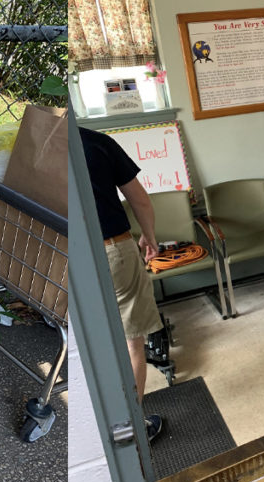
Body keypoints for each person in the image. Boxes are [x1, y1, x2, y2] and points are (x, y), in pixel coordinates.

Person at [79, 127, 164, 441]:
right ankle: (132, 427)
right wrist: (150, 237)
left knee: (85, 345)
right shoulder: (96, 142)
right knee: (132, 342)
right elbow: (140, 201)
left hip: (70, 255)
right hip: (113, 250)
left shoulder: (45, 140)